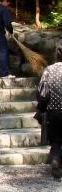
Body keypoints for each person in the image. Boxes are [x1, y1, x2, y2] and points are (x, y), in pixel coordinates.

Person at [36, 42, 62, 180]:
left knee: (56, 141)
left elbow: (42, 94)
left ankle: (55, 161)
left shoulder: (49, 70)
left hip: (54, 111)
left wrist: (41, 109)